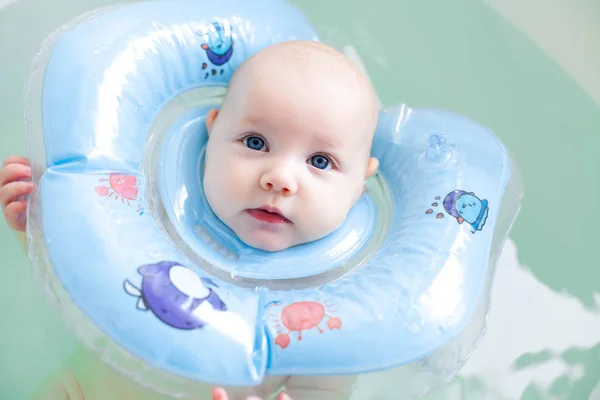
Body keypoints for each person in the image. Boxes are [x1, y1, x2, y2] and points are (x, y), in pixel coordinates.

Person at [1, 40, 379, 399]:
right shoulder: (155, 212)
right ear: (212, 130)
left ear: (361, 181)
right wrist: (35, 226)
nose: (279, 178)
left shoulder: (335, 302)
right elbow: (85, 278)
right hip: (79, 390)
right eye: (255, 142)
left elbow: (324, 391)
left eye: (319, 161)